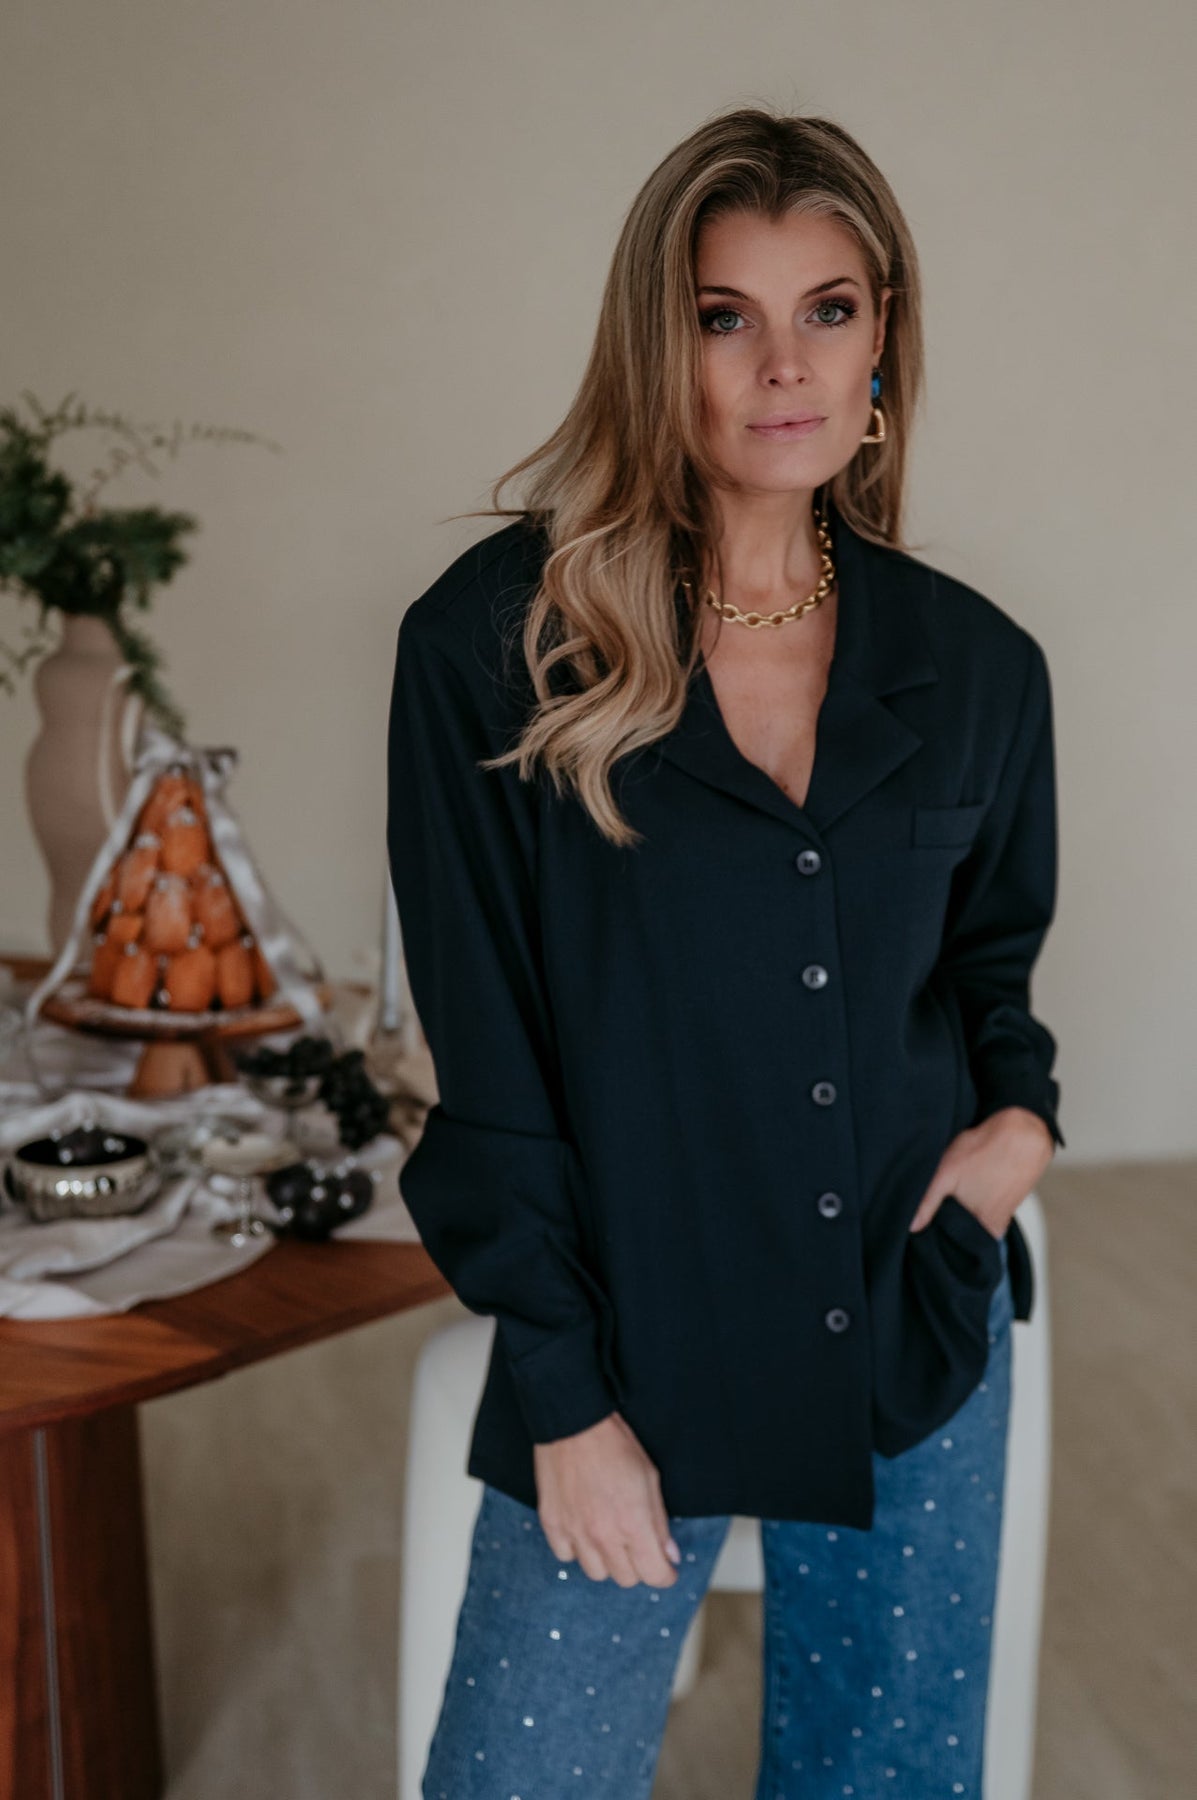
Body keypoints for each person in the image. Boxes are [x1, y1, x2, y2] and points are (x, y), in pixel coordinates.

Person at [386, 104, 1063, 1800]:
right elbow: (490, 1058)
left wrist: (1014, 1134)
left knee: (882, 1781)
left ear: (882, 336)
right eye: (722, 316)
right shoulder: (493, 648)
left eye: (827, 309)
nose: (783, 365)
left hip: (907, 1317)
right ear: (656, 344)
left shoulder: (978, 667)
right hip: (629, 1344)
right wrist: (564, 1402)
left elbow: (988, 970)